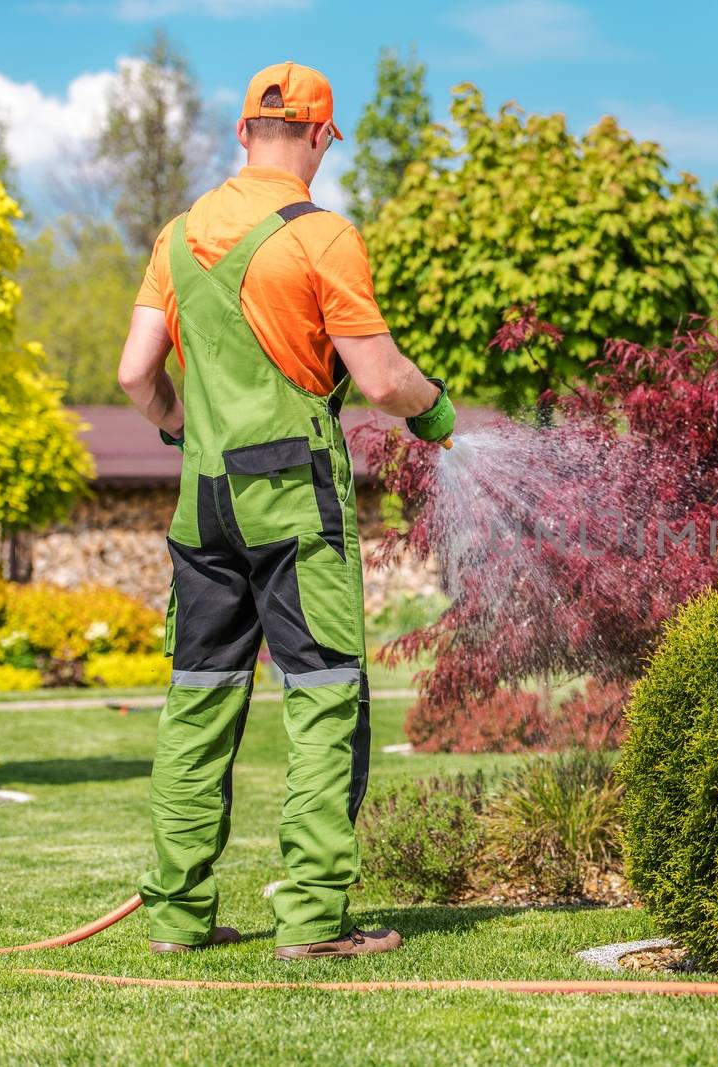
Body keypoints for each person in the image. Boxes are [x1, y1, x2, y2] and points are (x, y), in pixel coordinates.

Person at [116, 61, 455, 960]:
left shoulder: (178, 236)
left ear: (242, 133)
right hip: (294, 503)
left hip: (204, 507)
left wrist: (186, 431)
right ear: (318, 136)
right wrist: (435, 409)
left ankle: (177, 918)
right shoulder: (322, 237)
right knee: (324, 696)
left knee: (198, 702)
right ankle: (311, 918)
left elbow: (133, 375)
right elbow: (380, 378)